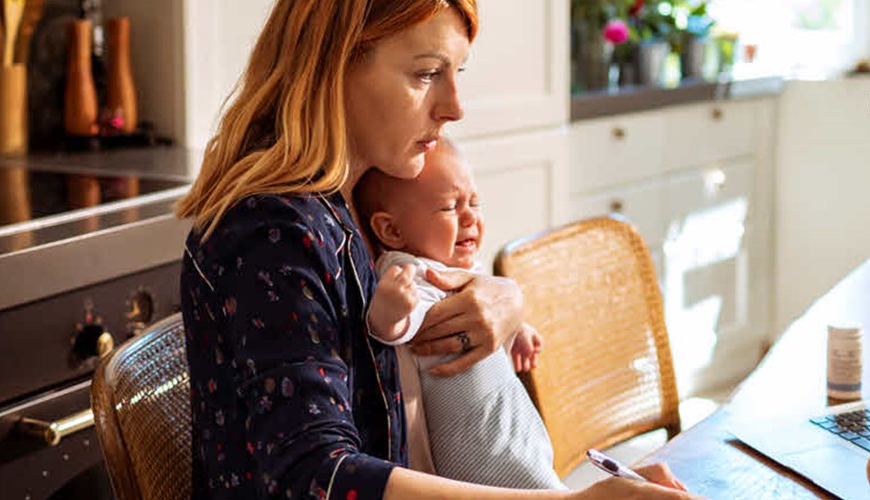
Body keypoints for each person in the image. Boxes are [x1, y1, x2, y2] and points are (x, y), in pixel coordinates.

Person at [173, 1, 697, 498]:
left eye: (456, 75)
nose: (454, 107)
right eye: (426, 74)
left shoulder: (347, 206)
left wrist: (502, 296)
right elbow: (315, 478)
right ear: (334, 67)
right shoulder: (273, 233)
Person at [355, 137, 562, 490]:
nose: (471, 217)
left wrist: (517, 329)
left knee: (538, 474)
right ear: (392, 230)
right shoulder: (409, 271)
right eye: (450, 207)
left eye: (474, 202)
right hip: (477, 453)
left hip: (506, 433)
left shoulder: (455, 267)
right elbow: (393, 332)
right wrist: (391, 313)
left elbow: (486, 312)